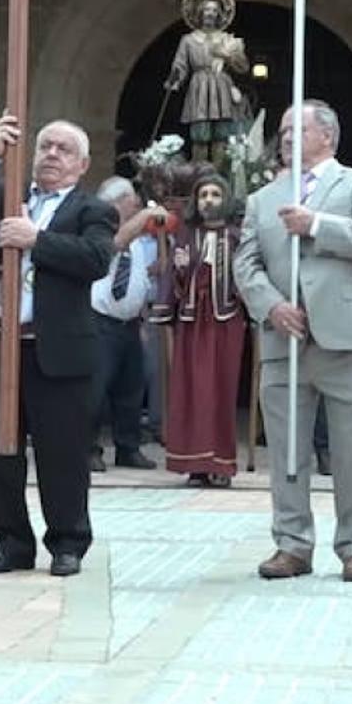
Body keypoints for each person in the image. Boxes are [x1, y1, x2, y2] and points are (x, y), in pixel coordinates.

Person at [0, 114, 117, 579]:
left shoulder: (91, 210)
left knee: (61, 453)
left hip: (55, 350)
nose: (51, 155)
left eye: (64, 149)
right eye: (45, 146)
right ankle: (11, 541)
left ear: (82, 164)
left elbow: (95, 259)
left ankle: (68, 542)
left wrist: (36, 240)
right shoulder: (9, 197)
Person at [237, 101, 352, 582]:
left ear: (328, 135)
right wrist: (271, 305)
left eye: (296, 129)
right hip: (286, 339)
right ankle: (292, 542)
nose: (286, 138)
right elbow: (246, 262)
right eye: (282, 130)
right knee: (286, 449)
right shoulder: (262, 199)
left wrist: (316, 225)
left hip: (348, 337)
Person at [156, 172, 246, 487]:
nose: (209, 200)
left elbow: (248, 276)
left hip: (225, 322)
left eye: (215, 195)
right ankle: (194, 465)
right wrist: (180, 270)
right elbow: (173, 279)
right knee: (191, 391)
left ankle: (220, 465)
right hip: (193, 323)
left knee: (220, 391)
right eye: (203, 195)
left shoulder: (237, 236)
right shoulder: (185, 235)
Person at [87, 176, 162, 474]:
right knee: (96, 388)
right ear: (117, 203)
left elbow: (138, 280)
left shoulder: (140, 238)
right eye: (133, 200)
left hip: (130, 322)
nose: (138, 205)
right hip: (99, 320)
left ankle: (128, 447)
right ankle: (88, 449)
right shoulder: (101, 229)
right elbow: (119, 242)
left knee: (131, 387)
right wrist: (144, 217)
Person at [165, 0, 251, 163]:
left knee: (221, 135)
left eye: (214, 10)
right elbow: (180, 65)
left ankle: (218, 174)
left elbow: (243, 67)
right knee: (200, 134)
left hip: (221, 85)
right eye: (206, 10)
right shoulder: (188, 40)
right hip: (200, 86)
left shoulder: (227, 39)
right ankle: (199, 173)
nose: (210, 14)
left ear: (219, 14)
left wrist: (229, 56)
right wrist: (175, 80)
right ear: (199, 13)